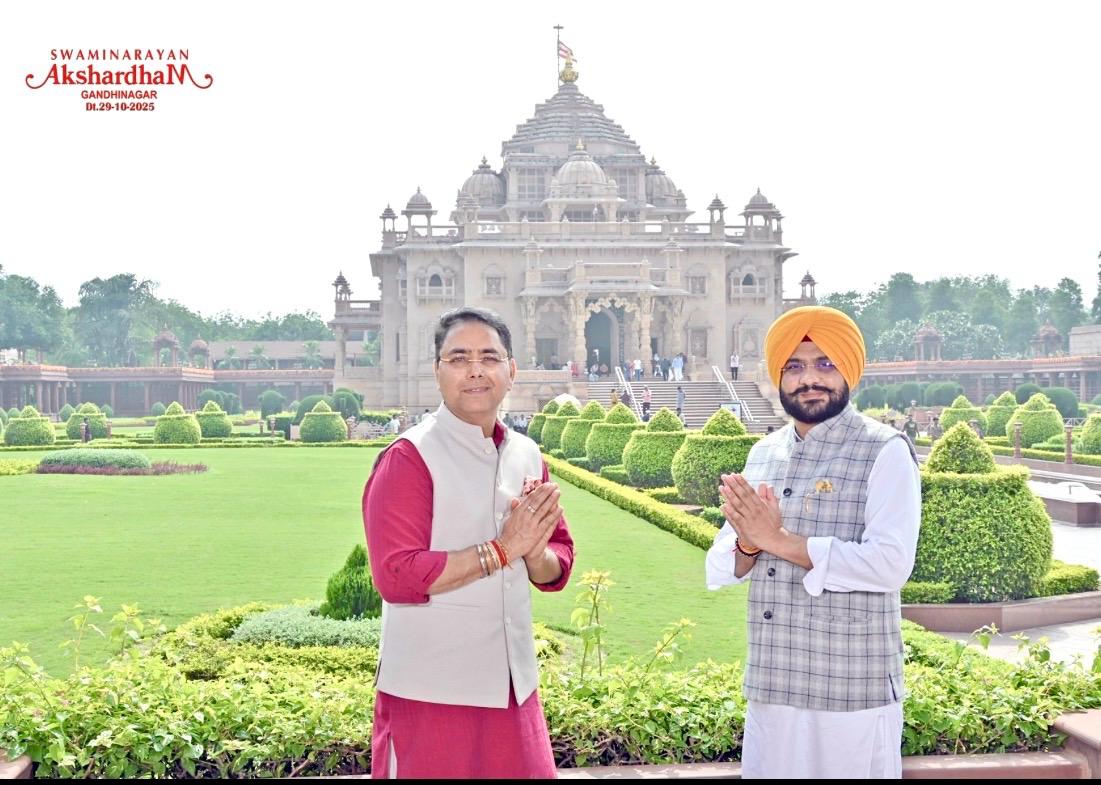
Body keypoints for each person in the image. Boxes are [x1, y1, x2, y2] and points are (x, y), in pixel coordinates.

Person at [705, 305, 920, 779]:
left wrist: (778, 539)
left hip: (851, 687)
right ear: (779, 377)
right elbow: (722, 563)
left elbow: (890, 563)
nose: (810, 379)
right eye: (795, 366)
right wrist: (748, 544)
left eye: (825, 364)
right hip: (774, 678)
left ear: (849, 371)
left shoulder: (884, 450)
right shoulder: (764, 452)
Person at [363, 306, 575, 779]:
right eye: (458, 358)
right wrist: (502, 550)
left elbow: (558, 561)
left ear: (512, 370)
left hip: (512, 689)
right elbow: (396, 576)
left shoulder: (526, 452)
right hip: (430, 692)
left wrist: (532, 550)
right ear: (437, 370)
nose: (476, 369)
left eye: (490, 357)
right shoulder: (410, 457)